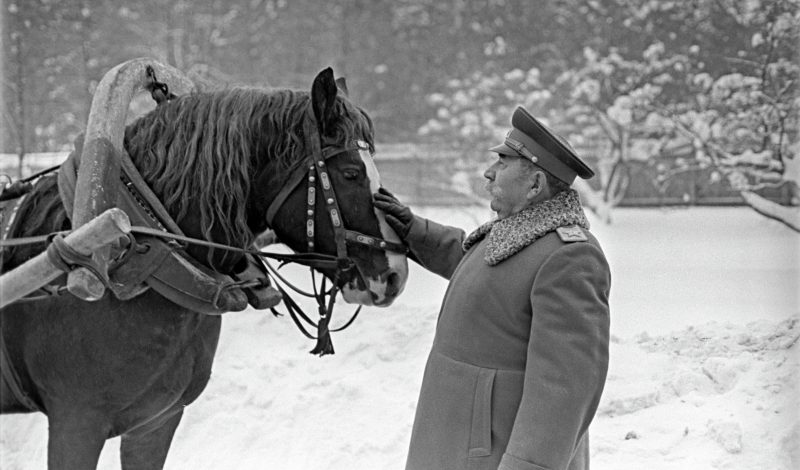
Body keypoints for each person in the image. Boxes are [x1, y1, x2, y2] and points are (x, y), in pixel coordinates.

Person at [373, 106, 611, 470]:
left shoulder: (570, 257)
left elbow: (565, 390)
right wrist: (413, 230)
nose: (488, 173)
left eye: (503, 162)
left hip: (492, 457)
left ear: (535, 185)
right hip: (456, 447)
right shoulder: (514, 233)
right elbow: (482, 274)